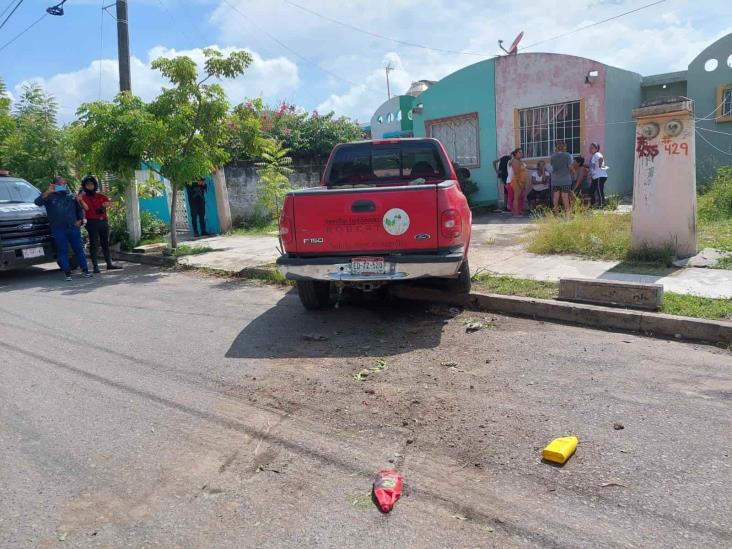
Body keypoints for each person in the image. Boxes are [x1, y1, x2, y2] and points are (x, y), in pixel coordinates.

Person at [34, 176, 91, 281]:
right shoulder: (49, 197)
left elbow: (80, 210)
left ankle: (85, 270)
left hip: (73, 228)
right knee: (62, 251)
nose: (63, 186)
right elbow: (37, 202)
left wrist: (81, 220)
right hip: (59, 229)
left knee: (79, 249)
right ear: (54, 185)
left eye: (64, 184)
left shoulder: (71, 196)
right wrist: (48, 191)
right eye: (60, 184)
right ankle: (67, 273)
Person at [79, 175, 122, 273]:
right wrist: (80, 200)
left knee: (105, 243)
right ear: (84, 186)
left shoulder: (101, 196)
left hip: (103, 221)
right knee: (94, 244)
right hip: (92, 222)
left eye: (91, 184)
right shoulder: (84, 197)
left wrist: (107, 205)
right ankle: (95, 267)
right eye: (87, 185)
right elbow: (86, 208)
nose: (90, 186)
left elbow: (109, 204)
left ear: (95, 185)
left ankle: (109, 264)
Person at [550, 142, 574, 215]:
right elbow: (569, 166)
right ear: (564, 147)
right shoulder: (567, 155)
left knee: (555, 197)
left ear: (556, 147)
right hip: (565, 180)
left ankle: (556, 214)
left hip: (555, 180)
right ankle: (567, 214)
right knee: (565, 197)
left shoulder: (553, 156)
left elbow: (552, 166)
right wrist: (573, 171)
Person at [508, 148, 528, 217]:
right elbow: (516, 173)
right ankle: (516, 214)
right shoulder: (515, 161)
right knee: (516, 198)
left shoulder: (519, 161)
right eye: (519, 152)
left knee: (518, 198)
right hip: (517, 181)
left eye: (521, 152)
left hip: (520, 182)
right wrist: (519, 183)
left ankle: (517, 212)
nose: (521, 154)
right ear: (515, 154)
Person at [589, 142, 608, 208]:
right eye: (590, 148)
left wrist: (600, 165)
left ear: (596, 149)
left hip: (600, 176)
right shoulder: (593, 156)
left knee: (599, 190)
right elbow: (592, 166)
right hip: (596, 177)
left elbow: (600, 158)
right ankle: (593, 204)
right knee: (591, 190)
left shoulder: (597, 154)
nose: (590, 149)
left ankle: (602, 205)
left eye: (592, 148)